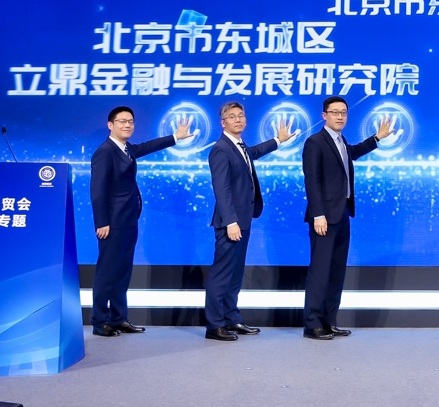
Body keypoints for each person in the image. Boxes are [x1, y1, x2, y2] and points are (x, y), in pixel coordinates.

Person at [89, 106, 192, 337]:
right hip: (112, 224)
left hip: (129, 220)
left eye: (131, 121)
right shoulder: (105, 152)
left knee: (122, 273)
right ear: (110, 125)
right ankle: (99, 321)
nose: (127, 125)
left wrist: (176, 137)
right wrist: (102, 221)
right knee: (107, 273)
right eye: (122, 121)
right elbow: (97, 190)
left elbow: (147, 147)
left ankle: (119, 318)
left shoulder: (127, 149)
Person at [300, 96, 395, 340]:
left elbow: (353, 152)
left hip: (342, 213)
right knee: (320, 271)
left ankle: (329, 321)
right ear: (324, 115)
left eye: (343, 112)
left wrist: (377, 138)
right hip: (323, 217)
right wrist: (318, 214)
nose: (340, 116)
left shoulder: (341, 141)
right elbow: (312, 181)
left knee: (336, 271)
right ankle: (312, 324)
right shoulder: (315, 142)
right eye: (335, 112)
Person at [205, 101, 292, 341]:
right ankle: (214, 325)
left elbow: (253, 153)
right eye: (232, 116)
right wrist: (231, 222)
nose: (238, 120)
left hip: (243, 220)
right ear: (223, 123)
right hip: (230, 223)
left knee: (235, 274)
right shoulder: (220, 149)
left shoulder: (240, 147)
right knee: (221, 274)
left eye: (241, 115)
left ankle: (231, 317)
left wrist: (278, 140)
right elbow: (221, 190)